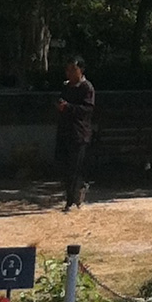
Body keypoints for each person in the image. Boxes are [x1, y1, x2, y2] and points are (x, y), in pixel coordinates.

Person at [54, 54, 96, 213]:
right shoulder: (66, 87)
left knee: (75, 167)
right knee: (64, 166)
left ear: (81, 70)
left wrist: (69, 107)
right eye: (67, 70)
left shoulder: (87, 88)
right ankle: (72, 195)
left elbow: (87, 109)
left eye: (73, 69)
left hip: (79, 133)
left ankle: (71, 200)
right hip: (64, 131)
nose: (69, 73)